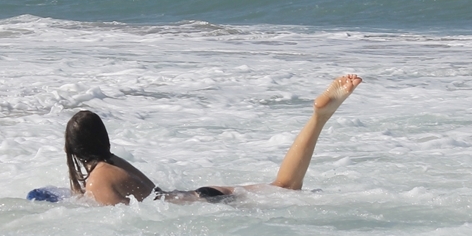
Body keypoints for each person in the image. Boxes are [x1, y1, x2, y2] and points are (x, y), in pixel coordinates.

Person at [64, 74, 362, 205]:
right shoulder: (113, 162)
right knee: (284, 187)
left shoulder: (97, 180)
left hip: (201, 205)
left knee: (287, 188)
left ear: (75, 149)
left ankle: (319, 118)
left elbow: (120, 223)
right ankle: (318, 119)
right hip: (200, 193)